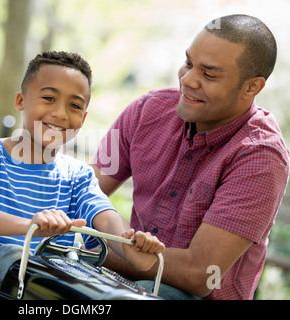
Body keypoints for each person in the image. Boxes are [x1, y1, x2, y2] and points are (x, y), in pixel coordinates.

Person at [92, 14, 290, 300]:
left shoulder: (261, 156)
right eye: (188, 63)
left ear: (252, 87)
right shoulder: (146, 111)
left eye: (208, 75)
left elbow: (201, 274)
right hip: (124, 282)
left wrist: (92, 250)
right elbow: (82, 189)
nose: (188, 80)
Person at [0, 51, 165, 284]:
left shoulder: (78, 176)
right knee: (15, 257)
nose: (60, 113)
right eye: (49, 98)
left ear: (84, 117)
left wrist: (132, 245)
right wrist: (31, 227)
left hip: (37, 286)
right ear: (21, 101)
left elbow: (106, 218)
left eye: (74, 105)